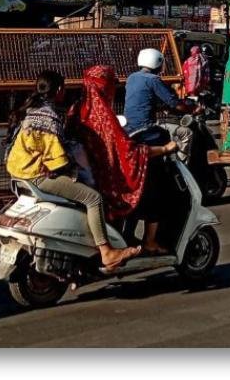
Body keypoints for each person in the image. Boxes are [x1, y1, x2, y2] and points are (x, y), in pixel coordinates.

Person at [6, 70, 140, 271]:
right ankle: (106, 252)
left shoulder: (31, 110)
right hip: (37, 174)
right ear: (59, 90)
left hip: (18, 171)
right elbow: (57, 161)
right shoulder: (49, 117)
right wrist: (75, 170)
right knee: (93, 198)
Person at [69, 65, 178, 256]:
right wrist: (164, 149)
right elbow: (127, 152)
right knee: (153, 189)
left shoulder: (78, 108)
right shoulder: (103, 116)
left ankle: (125, 236)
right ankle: (150, 241)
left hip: (87, 171)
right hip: (105, 177)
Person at [124, 48, 195, 145]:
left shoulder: (131, 77)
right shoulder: (154, 79)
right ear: (157, 62)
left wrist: (162, 108)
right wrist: (193, 110)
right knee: (186, 133)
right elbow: (175, 103)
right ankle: (179, 160)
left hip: (129, 127)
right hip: (146, 127)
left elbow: (143, 101)